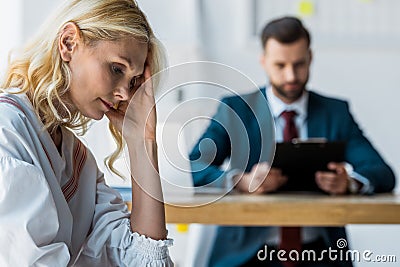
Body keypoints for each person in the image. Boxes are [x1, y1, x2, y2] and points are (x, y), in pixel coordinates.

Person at [189, 16, 395, 267]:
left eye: (299, 64)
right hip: (247, 256)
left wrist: (349, 183)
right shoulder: (235, 110)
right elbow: (194, 167)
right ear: (263, 62)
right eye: (280, 65)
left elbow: (382, 173)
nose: (291, 75)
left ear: (310, 58)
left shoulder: (335, 112)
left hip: (320, 254)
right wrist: (240, 181)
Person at [0, 0, 173, 266]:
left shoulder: (78, 160)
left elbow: (143, 261)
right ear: (69, 43)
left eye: (133, 81)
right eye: (117, 68)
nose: (124, 94)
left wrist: (142, 141)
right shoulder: (7, 133)